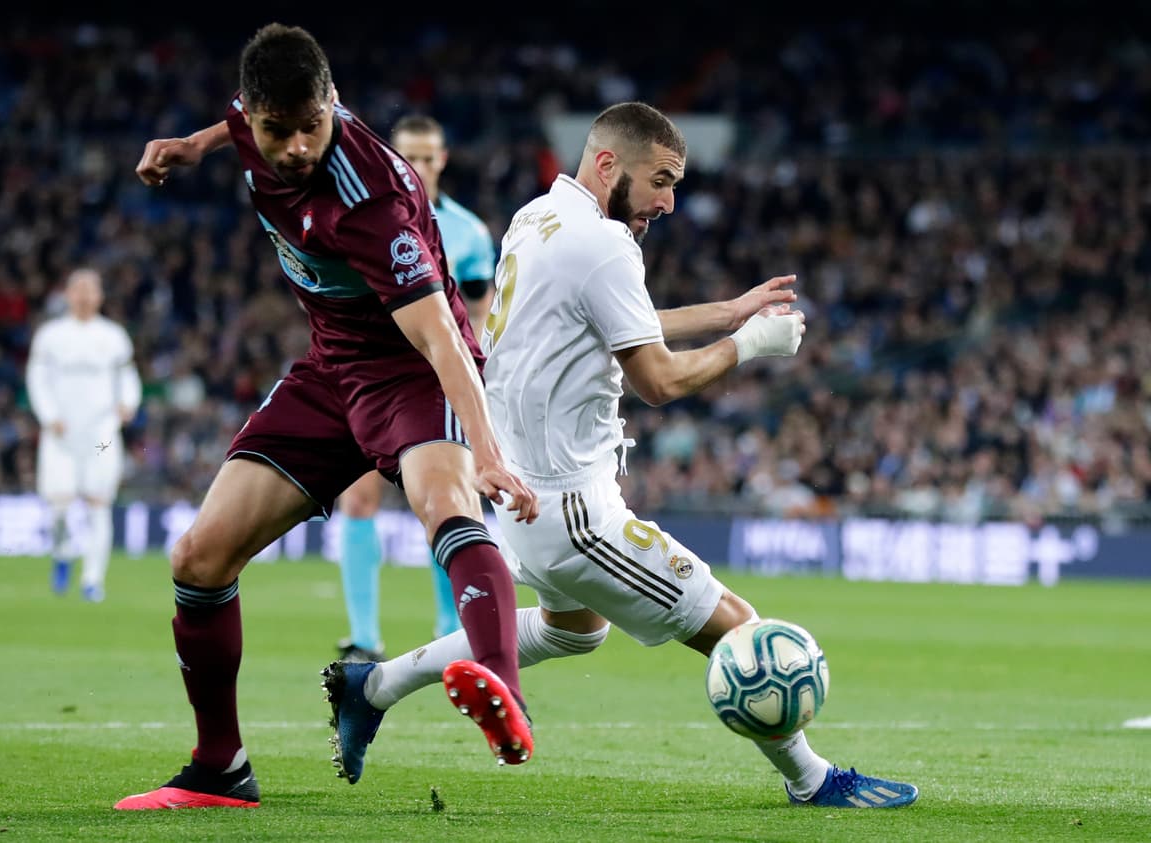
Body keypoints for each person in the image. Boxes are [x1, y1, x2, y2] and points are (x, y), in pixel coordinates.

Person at [324, 102, 920, 809]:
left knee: (574, 632)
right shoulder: (604, 244)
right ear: (608, 165)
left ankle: (373, 685)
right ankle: (811, 779)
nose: (667, 202)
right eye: (660, 181)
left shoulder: (536, 218)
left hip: (526, 497)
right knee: (739, 628)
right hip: (575, 513)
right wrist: (749, 345)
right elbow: (657, 380)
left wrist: (726, 311)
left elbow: (615, 317)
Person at [113, 24, 539, 811]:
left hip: (411, 371)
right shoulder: (253, 120)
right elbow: (236, 121)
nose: (298, 147)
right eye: (277, 130)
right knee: (199, 558)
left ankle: (504, 691)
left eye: (312, 125)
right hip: (330, 369)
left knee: (445, 502)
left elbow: (442, 340)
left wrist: (486, 451)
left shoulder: (370, 201)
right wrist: (194, 145)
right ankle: (220, 767)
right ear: (253, 113)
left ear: (333, 101)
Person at [335, 114, 499, 664]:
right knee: (358, 498)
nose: (420, 166)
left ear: (443, 159)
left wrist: (471, 377)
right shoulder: (364, 215)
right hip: (371, 377)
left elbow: (480, 313)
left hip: (434, 382)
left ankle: (451, 631)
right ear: (391, 157)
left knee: (443, 504)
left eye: (429, 157)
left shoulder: (469, 232)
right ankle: (363, 637)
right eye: (410, 156)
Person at [26, 267, 140, 603]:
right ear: (67, 294)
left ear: (100, 296)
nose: (85, 296)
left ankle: (93, 580)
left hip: (101, 435)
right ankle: (62, 554)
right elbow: (37, 380)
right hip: (61, 433)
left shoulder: (114, 336)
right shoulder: (50, 336)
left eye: (91, 289)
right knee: (59, 505)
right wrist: (49, 416)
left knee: (98, 503)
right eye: (78, 289)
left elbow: (128, 377)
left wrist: (128, 403)